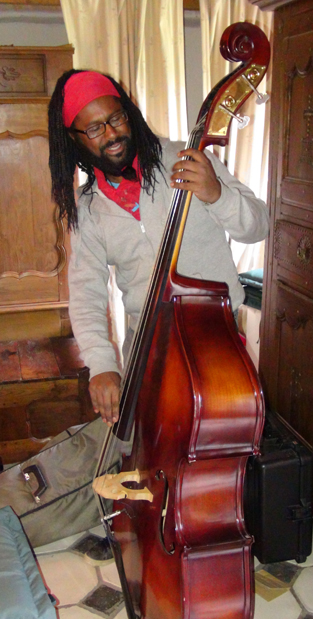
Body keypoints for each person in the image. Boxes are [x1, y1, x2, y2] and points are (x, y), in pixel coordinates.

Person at [48, 68, 269, 564]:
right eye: (96, 129)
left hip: (215, 339)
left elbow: (259, 224)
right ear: (75, 140)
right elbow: (84, 295)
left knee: (219, 454)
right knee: (156, 457)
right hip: (150, 347)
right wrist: (102, 364)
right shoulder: (86, 210)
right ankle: (159, 541)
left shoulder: (184, 160)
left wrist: (218, 194)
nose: (112, 134)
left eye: (116, 118)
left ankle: (221, 538)